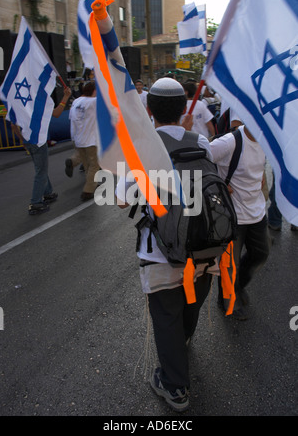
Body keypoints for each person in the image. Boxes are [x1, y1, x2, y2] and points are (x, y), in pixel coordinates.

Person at [115, 78, 214, 412]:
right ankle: (182, 342)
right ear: (185, 108)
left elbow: (120, 199)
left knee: (166, 314)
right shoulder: (201, 140)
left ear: (149, 109)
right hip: (203, 247)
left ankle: (175, 388)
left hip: (160, 252)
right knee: (192, 301)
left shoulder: (143, 148)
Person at [210, 118, 271, 319]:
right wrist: (217, 182)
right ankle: (227, 301)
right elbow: (201, 160)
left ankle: (238, 285)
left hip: (257, 211)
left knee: (261, 253)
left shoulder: (266, 141)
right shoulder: (230, 142)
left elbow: (260, 165)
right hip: (231, 214)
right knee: (229, 264)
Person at [19, 86, 71, 215]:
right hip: (39, 140)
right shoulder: (40, 102)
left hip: (28, 140)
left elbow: (14, 125)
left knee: (40, 167)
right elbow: (57, 113)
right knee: (41, 171)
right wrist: (65, 97)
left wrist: (22, 140)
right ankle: (35, 202)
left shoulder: (22, 103)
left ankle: (48, 192)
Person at [69, 81, 100, 201]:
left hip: (79, 139)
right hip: (91, 140)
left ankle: (91, 183)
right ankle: (88, 190)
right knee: (94, 165)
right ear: (93, 90)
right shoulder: (94, 102)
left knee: (87, 165)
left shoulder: (77, 101)